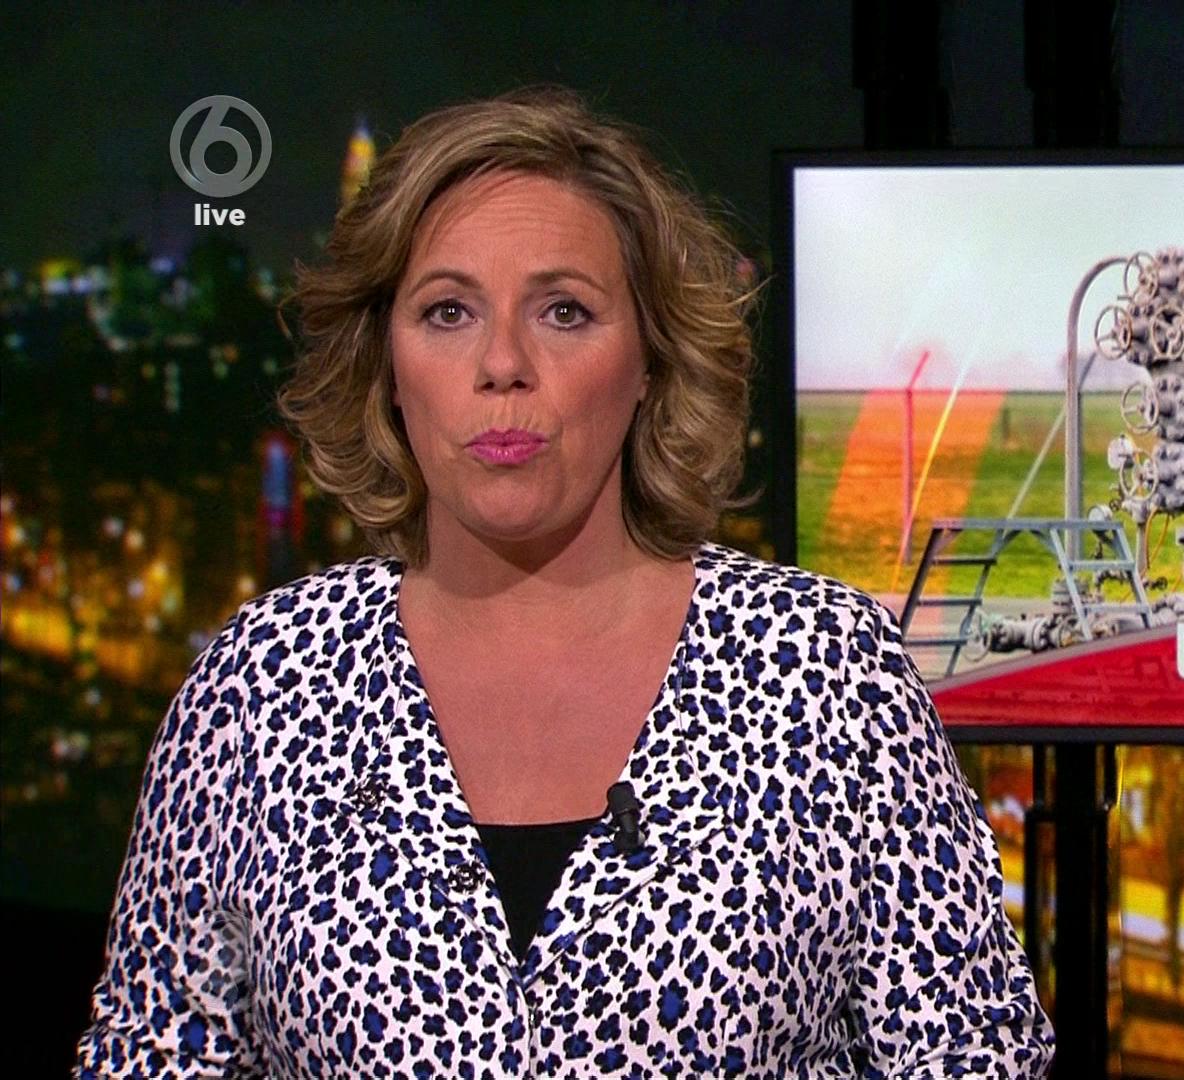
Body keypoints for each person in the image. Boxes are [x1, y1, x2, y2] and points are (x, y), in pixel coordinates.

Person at [74, 85, 1055, 1078]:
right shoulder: (263, 685)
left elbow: (977, 1057)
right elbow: (151, 1055)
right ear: (386, 362)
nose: (503, 363)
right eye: (448, 311)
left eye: (564, 311)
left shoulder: (827, 673)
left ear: (649, 360)